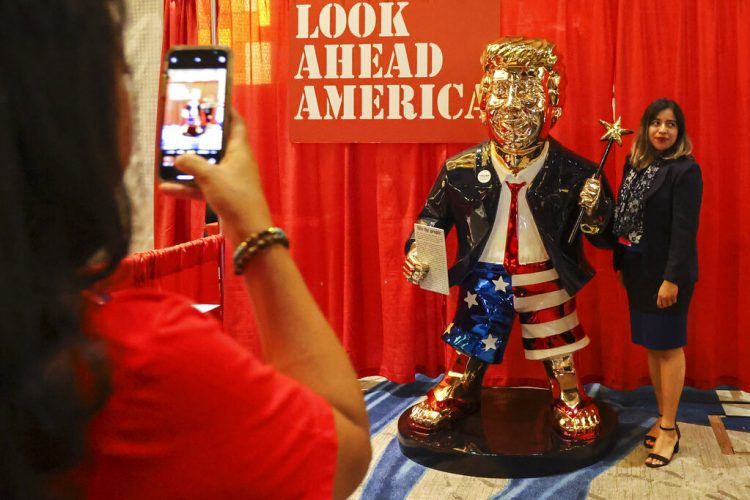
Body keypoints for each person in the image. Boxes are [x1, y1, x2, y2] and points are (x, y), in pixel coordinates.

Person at [0, 1, 370, 498]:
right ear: (70, 121)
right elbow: (342, 447)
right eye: (123, 71)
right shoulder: (136, 361)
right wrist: (253, 224)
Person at [402, 37, 614, 442]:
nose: (514, 108)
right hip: (485, 274)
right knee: (472, 331)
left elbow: (606, 237)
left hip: (545, 274)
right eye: (502, 93)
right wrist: (418, 253)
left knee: (557, 336)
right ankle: (460, 383)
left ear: (554, 103)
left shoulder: (576, 173)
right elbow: (430, 221)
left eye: (529, 95)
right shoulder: (460, 169)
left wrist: (594, 209)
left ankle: (567, 390)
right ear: (482, 101)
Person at [613, 98, 702, 468]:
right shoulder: (634, 165)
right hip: (637, 270)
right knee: (652, 346)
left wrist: (672, 279)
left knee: (668, 346)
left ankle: (669, 429)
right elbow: (622, 214)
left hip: (668, 275)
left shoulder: (685, 171)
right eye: (655, 123)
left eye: (670, 124)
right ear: (646, 127)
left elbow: (684, 232)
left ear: (679, 132)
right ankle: (665, 418)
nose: (662, 130)